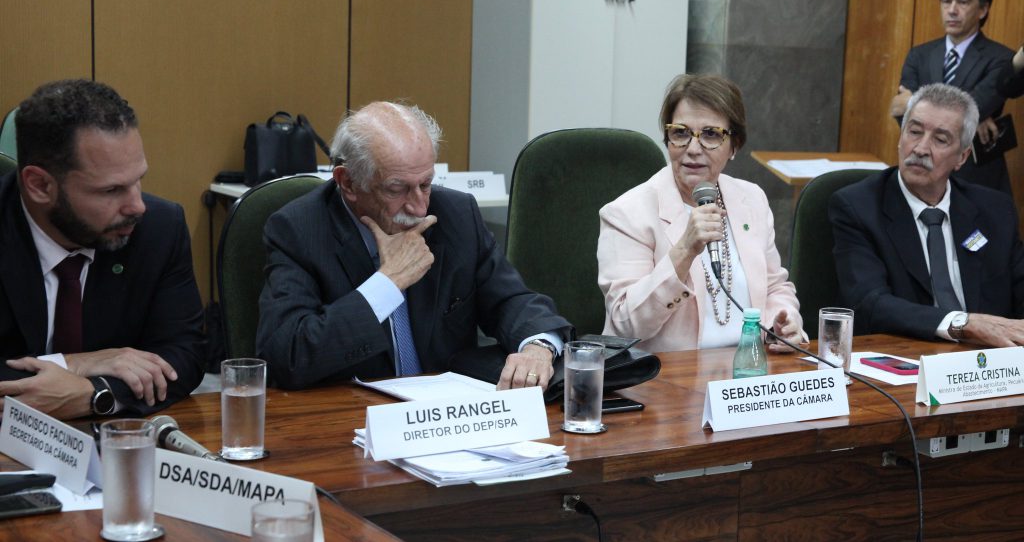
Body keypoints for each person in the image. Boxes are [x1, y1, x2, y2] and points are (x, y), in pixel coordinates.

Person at [256, 101, 572, 390]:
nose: (419, 208)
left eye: (425, 184)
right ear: (348, 183)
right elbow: (287, 356)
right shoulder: (298, 229)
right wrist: (387, 283)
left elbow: (512, 301)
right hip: (350, 418)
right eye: (398, 189)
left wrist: (537, 347)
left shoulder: (455, 215)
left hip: (446, 413)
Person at [0, 79, 206, 419]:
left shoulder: (159, 228)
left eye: (138, 179)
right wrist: (77, 364)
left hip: (114, 446)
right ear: (39, 185)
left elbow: (184, 355)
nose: (137, 206)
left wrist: (95, 393)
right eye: (111, 190)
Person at [596, 74, 806, 353]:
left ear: (734, 146)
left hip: (748, 373)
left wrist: (786, 321)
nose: (693, 149)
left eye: (711, 135)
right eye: (680, 133)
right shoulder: (627, 213)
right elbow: (625, 323)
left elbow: (775, 287)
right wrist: (684, 250)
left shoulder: (751, 199)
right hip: (669, 377)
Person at [831, 83, 1024, 346]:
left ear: (962, 157)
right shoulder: (857, 207)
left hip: (985, 366)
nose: (921, 148)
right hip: (907, 359)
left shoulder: (995, 210)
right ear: (900, 138)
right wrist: (963, 324)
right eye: (914, 132)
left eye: (940, 139)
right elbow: (869, 303)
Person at [889, 0, 1014, 196]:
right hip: (922, 173)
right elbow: (904, 116)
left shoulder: (1003, 58)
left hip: (977, 178)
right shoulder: (919, 55)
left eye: (963, 2)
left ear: (983, 9)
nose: (952, 10)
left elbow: (964, 112)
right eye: (946, 1)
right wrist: (972, 118)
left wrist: (913, 102)